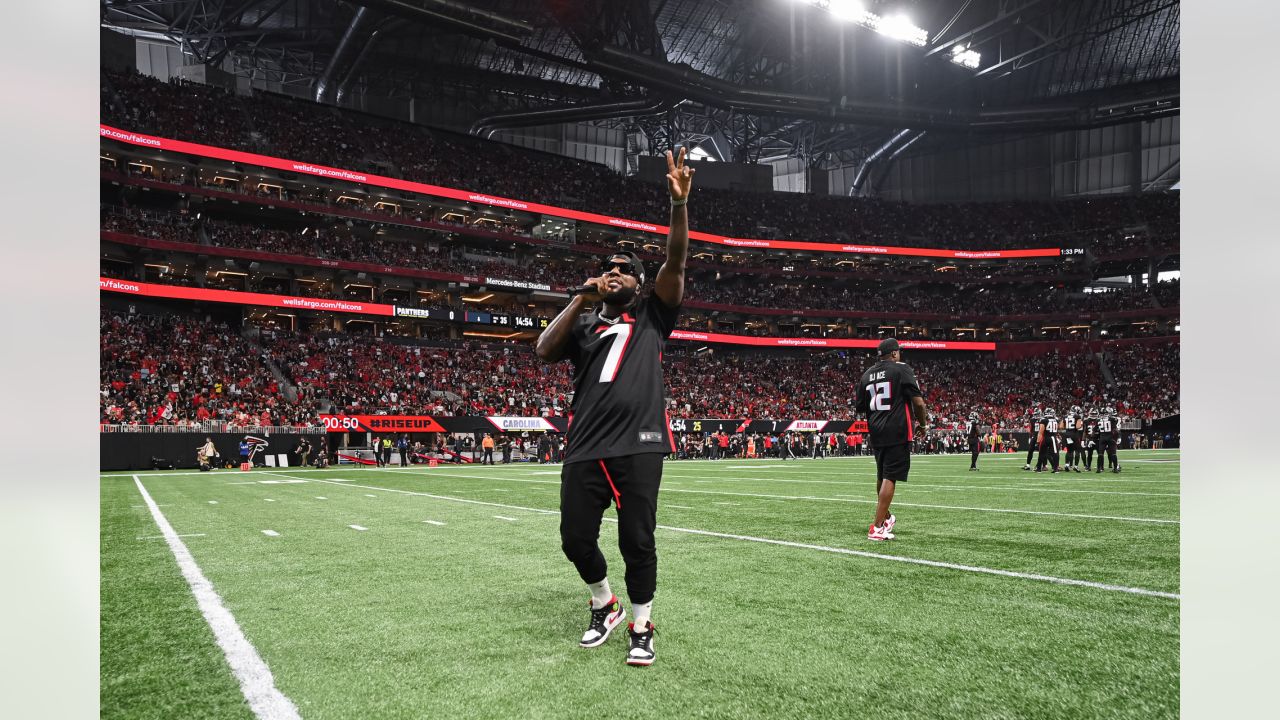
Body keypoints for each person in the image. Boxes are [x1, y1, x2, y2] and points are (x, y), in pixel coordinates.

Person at [534, 147, 694, 667]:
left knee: (636, 540)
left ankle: (643, 624)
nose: (616, 272)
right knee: (574, 538)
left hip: (640, 443)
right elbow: (542, 350)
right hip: (585, 445)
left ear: (640, 284)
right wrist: (580, 297)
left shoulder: (653, 315)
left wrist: (677, 207)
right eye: (608, 268)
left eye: (626, 269)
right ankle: (605, 604)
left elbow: (676, 260)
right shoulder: (582, 323)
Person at [856, 338, 927, 542]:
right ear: (894, 354)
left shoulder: (867, 374)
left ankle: (886, 518)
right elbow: (919, 403)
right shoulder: (901, 369)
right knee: (890, 477)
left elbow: (861, 406)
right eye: (899, 352)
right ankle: (877, 527)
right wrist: (922, 425)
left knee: (882, 475)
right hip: (897, 429)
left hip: (876, 430)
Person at [1036, 408, 1061, 473]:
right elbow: (1059, 428)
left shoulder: (1044, 420)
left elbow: (1041, 432)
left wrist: (1038, 441)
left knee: (1041, 453)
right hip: (1053, 438)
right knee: (1055, 453)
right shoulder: (1056, 420)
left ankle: (1038, 468)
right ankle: (1055, 468)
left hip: (1045, 438)